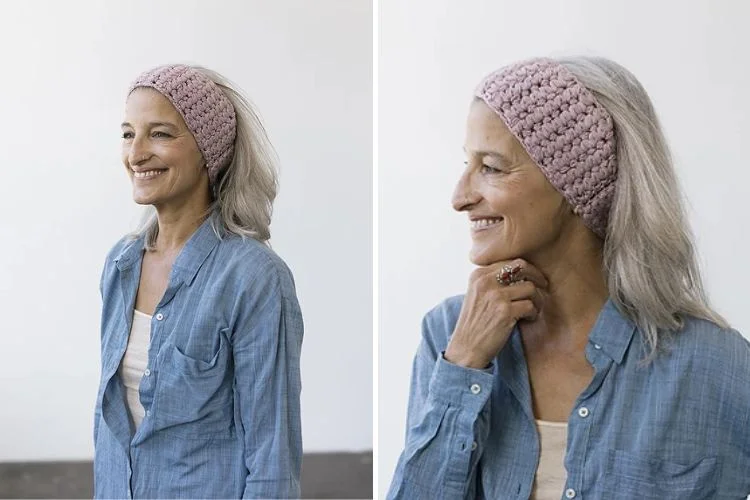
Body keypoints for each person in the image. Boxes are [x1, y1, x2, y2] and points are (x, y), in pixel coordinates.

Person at [387, 57, 750, 499]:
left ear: (574, 184)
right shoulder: (448, 337)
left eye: (492, 167)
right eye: (467, 163)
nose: (460, 197)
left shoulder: (717, 366)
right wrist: (462, 367)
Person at [93, 64, 303, 499]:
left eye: (161, 134)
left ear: (210, 150)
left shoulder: (254, 278)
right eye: (128, 133)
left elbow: (273, 458)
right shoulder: (121, 264)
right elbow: (111, 429)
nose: (136, 153)